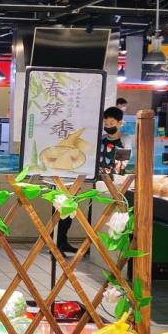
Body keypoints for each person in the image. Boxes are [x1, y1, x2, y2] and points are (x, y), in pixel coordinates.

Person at [56, 105, 126, 254]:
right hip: (93, 181)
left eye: (111, 123)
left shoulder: (125, 140)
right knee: (89, 213)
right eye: (106, 123)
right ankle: (82, 245)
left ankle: (98, 248)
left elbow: (122, 164)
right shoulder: (100, 139)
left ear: (120, 123)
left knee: (106, 214)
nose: (108, 126)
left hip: (114, 183)